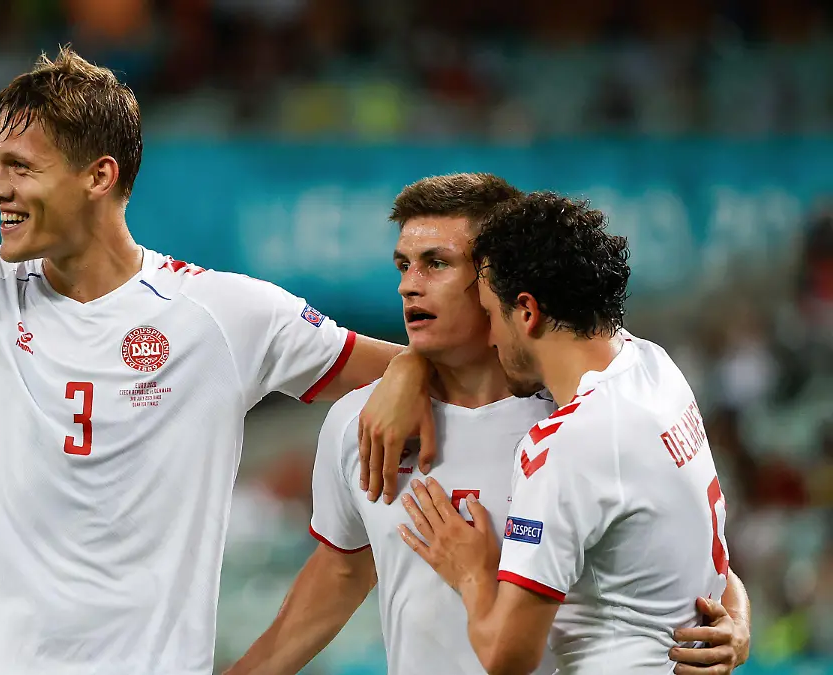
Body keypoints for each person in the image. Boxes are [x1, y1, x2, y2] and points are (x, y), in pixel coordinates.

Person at [0, 22, 422, 675]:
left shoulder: (226, 314)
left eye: (19, 167)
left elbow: (434, 372)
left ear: (98, 176)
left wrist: (407, 376)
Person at [226, 175, 751, 675]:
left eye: (437, 263)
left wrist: (737, 623)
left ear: (496, 280)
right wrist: (407, 365)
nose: (410, 285)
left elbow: (687, 543)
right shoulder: (361, 422)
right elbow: (341, 571)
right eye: (403, 265)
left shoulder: (573, 421)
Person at [397, 192, 750, 674]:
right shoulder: (655, 368)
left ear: (526, 311)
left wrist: (472, 572)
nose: (492, 336)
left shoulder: (565, 447)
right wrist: (740, 623)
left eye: (492, 315)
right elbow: (713, 564)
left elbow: (507, 657)